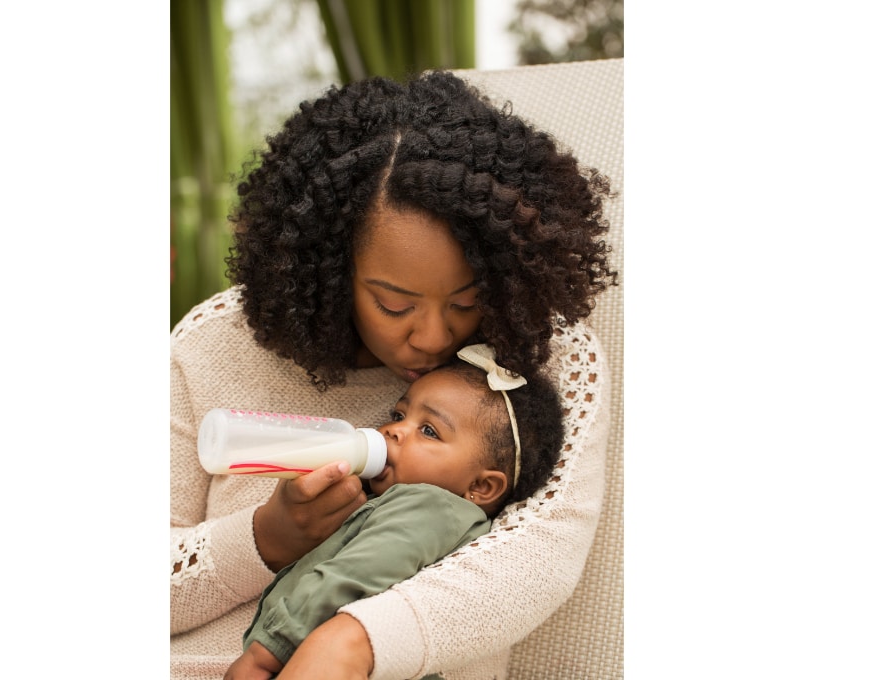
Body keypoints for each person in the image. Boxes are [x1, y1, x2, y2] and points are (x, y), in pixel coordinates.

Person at [170, 69, 617, 680]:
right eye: (395, 305)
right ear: (328, 270)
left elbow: (535, 559)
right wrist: (264, 539)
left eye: (466, 302)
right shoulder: (211, 346)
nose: (435, 338)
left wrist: (347, 644)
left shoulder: (541, 363)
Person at [224, 345, 564, 680]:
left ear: (482, 487)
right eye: (400, 415)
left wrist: (272, 649)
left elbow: (355, 574)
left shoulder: (431, 510)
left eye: (429, 431)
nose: (392, 430)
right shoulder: (416, 510)